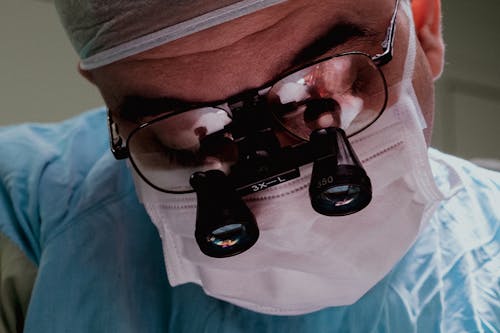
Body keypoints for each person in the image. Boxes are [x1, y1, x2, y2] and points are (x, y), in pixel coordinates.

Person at [1, 0, 499, 332]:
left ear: (425, 26)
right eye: (188, 135)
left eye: (321, 92)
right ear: (113, 107)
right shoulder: (26, 222)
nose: (279, 209)